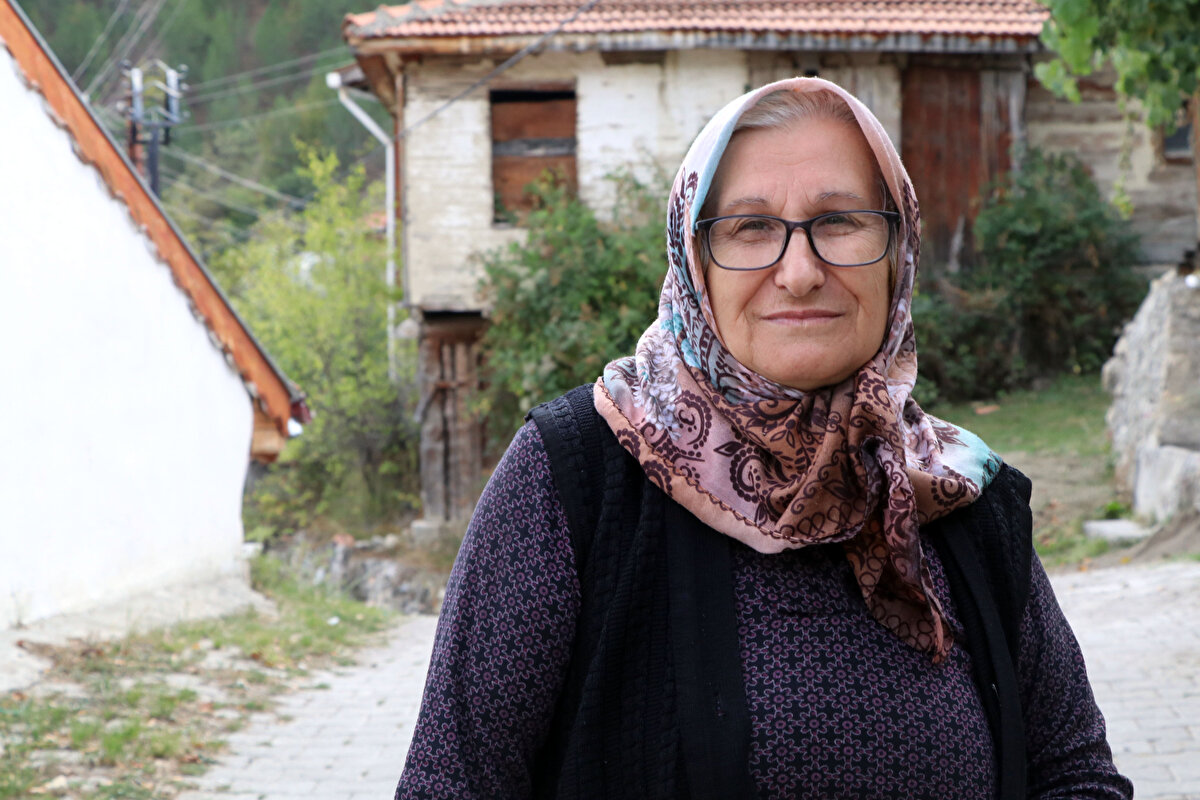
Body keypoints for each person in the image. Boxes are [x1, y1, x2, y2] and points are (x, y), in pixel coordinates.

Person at [395, 78, 1133, 800]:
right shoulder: (576, 474)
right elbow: (448, 782)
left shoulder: (961, 492)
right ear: (695, 262)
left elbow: (1076, 775)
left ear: (898, 251)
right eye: (751, 228)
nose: (802, 271)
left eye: (841, 221)